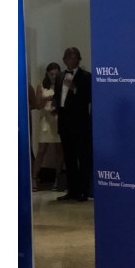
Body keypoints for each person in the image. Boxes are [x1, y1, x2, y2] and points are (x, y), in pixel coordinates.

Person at [54, 47, 92, 201]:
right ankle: (72, 190)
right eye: (70, 57)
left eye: (76, 57)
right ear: (64, 60)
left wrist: (74, 89)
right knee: (69, 158)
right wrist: (55, 106)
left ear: (79, 59)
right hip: (64, 123)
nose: (73, 60)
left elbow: (89, 98)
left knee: (82, 158)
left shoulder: (86, 76)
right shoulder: (59, 76)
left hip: (80, 123)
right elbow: (59, 96)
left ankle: (83, 191)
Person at [32, 62, 65, 191]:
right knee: (41, 150)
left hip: (58, 119)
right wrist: (47, 99)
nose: (54, 77)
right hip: (46, 120)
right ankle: (34, 178)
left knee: (59, 150)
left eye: (56, 74)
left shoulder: (62, 85)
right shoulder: (41, 86)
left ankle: (58, 178)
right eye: (51, 74)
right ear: (47, 74)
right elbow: (37, 105)